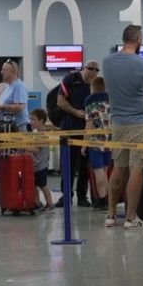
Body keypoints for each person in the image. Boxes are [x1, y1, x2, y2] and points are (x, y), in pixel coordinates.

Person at [101, 24, 143, 230]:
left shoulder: (107, 62)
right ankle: (131, 217)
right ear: (139, 40)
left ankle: (110, 215)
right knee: (137, 168)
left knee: (118, 167)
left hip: (118, 121)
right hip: (140, 121)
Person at [54, 60, 100, 207]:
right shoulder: (71, 79)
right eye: (90, 68)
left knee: (85, 165)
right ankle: (66, 196)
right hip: (69, 129)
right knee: (67, 164)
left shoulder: (96, 85)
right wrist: (75, 112)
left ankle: (82, 196)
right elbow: (60, 101)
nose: (92, 72)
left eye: (96, 70)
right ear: (84, 68)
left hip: (88, 132)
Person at [83, 76, 111, 210]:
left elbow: (89, 126)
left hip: (95, 142)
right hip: (110, 141)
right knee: (105, 173)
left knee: (99, 174)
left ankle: (102, 200)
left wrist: (84, 145)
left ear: (93, 87)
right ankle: (108, 200)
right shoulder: (111, 100)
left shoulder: (90, 102)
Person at [0, 60, 30, 131]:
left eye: (4, 70)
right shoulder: (8, 87)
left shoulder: (19, 86)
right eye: (2, 70)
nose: (1, 72)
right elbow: (4, 105)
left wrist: (0, 107)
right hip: (9, 127)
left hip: (18, 127)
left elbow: (20, 107)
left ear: (13, 72)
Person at [29, 108, 54, 212]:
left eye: (33, 119)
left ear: (41, 120)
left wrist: (22, 147)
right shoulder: (36, 132)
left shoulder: (42, 134)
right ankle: (37, 202)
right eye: (30, 119)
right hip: (35, 164)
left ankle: (50, 204)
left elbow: (36, 148)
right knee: (34, 184)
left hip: (41, 165)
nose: (31, 122)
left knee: (43, 185)